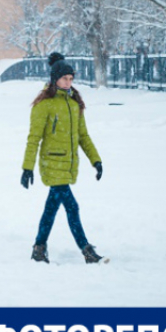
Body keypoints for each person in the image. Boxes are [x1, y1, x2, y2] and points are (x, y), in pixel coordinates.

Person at [20, 55, 105, 264]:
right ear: (55, 79)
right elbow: (34, 138)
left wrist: (96, 160)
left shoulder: (74, 103)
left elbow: (83, 135)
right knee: (72, 207)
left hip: (68, 164)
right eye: (65, 78)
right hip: (52, 163)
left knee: (51, 209)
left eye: (71, 78)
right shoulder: (44, 104)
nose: (69, 82)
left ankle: (39, 248)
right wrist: (27, 168)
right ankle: (86, 250)